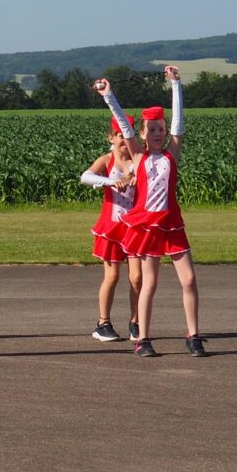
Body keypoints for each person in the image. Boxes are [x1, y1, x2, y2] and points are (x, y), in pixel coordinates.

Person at [94, 67, 206, 358]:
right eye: (151, 130)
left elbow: (179, 123)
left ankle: (193, 336)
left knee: (189, 280)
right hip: (146, 225)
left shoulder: (172, 153)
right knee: (149, 283)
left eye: (161, 129)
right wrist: (109, 96)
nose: (157, 134)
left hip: (171, 223)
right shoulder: (139, 155)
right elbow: (124, 124)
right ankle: (143, 338)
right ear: (142, 134)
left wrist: (176, 85)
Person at [80, 115, 142, 343]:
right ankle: (102, 322)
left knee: (137, 277)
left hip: (135, 228)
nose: (123, 140)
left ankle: (136, 322)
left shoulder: (139, 160)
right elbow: (85, 176)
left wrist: (136, 177)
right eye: (119, 135)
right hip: (112, 227)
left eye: (127, 135)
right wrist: (109, 181)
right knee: (112, 275)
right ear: (111, 138)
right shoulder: (107, 160)